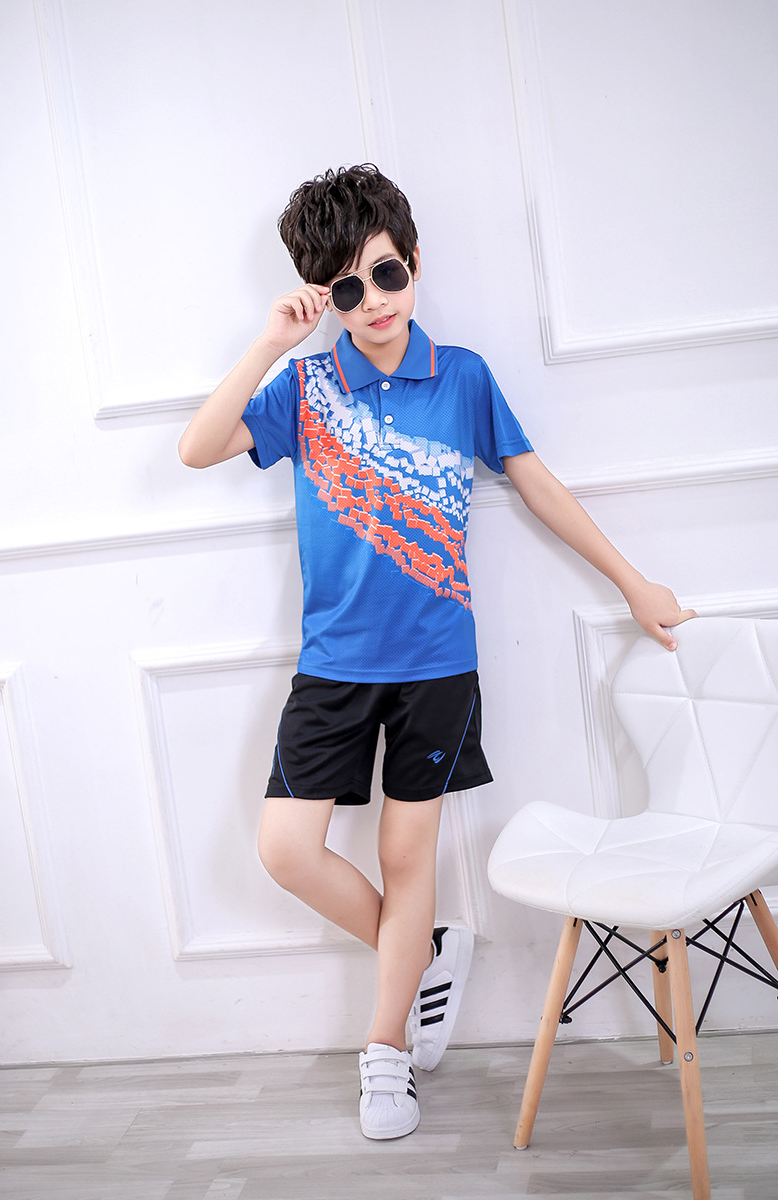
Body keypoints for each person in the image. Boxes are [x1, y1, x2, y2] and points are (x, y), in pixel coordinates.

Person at [178, 164, 695, 1141]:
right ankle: (421, 950)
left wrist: (632, 583)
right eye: (345, 289)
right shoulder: (306, 386)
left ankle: (384, 1053)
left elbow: (537, 485)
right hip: (331, 665)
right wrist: (270, 342)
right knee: (285, 849)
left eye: (385, 274)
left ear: (413, 262)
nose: (372, 302)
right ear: (321, 298)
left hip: (433, 665)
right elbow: (198, 448)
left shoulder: (461, 377)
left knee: (404, 853)